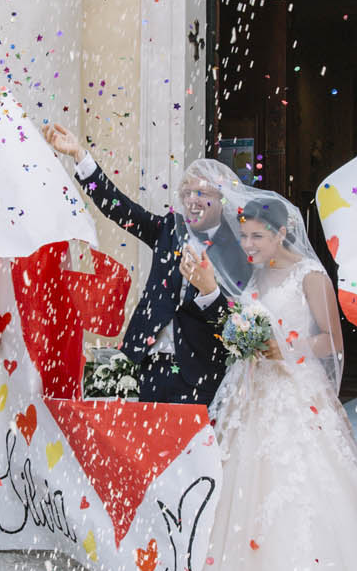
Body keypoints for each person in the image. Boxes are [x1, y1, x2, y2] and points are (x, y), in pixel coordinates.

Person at [148, 189, 357, 571]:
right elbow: (242, 319)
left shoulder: (310, 275)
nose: (249, 245)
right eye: (246, 236)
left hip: (295, 394)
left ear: (281, 232)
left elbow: (331, 342)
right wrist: (244, 335)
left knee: (304, 487)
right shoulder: (257, 273)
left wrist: (283, 347)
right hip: (254, 391)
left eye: (257, 236)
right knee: (241, 487)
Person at [41, 122, 252, 405]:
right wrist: (80, 155)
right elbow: (119, 208)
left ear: (221, 199)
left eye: (202, 193)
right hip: (148, 367)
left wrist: (209, 292)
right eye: (187, 192)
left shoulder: (238, 252)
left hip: (200, 374)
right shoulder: (169, 229)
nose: (192, 200)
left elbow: (234, 326)